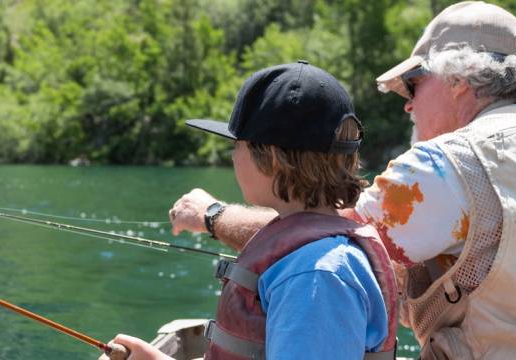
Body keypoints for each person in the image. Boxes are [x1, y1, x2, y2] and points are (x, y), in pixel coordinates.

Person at [167, 2, 516, 359]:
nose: (405, 103)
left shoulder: (448, 164)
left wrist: (212, 217)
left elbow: (321, 238)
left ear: (460, 82)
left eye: (412, 84)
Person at [101, 61, 399, 360]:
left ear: (270, 158)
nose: (232, 157)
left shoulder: (316, 277)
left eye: (236, 146)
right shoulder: (315, 261)